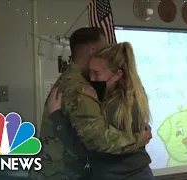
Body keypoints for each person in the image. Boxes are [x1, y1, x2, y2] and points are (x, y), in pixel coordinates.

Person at [29, 27, 151, 180]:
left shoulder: (77, 81)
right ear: (93, 50)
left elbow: (96, 140)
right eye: (104, 46)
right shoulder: (79, 87)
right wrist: (138, 139)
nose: (107, 49)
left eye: (97, 73)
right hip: (63, 172)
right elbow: (98, 139)